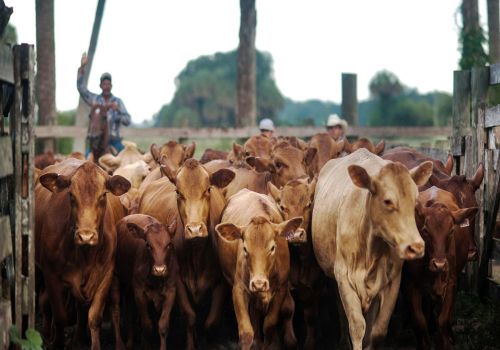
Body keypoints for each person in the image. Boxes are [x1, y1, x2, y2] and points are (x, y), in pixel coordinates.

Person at [77, 52, 131, 155]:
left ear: (111, 86)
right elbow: (81, 88)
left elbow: (128, 121)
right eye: (104, 84)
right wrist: (82, 68)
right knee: (87, 159)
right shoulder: (95, 100)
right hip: (97, 142)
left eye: (108, 84)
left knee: (123, 161)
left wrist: (118, 111)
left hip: (114, 141)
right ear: (100, 86)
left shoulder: (118, 102)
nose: (106, 86)